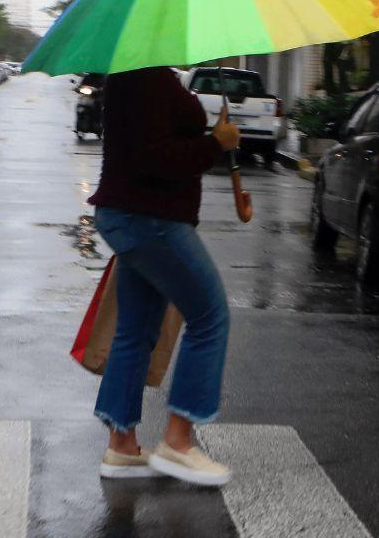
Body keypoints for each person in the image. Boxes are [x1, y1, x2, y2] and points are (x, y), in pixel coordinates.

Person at [87, 66, 241, 487]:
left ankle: (122, 446)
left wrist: (211, 141)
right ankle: (179, 440)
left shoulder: (142, 75)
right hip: (150, 218)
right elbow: (155, 159)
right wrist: (214, 144)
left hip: (137, 216)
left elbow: (156, 147)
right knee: (210, 318)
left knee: (136, 331)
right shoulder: (146, 77)